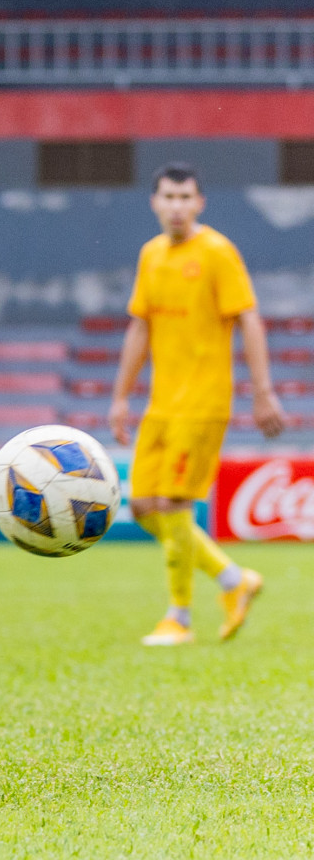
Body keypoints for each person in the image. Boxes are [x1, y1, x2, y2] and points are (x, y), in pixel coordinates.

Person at [108, 162, 285, 647]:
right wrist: (121, 397)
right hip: (161, 403)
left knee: (174, 504)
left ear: (200, 203)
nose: (177, 206)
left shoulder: (216, 251)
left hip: (204, 401)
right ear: (155, 202)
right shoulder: (151, 255)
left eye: (186, 198)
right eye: (169, 197)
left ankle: (179, 618)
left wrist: (263, 389)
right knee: (143, 506)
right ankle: (234, 580)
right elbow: (140, 326)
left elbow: (248, 318)